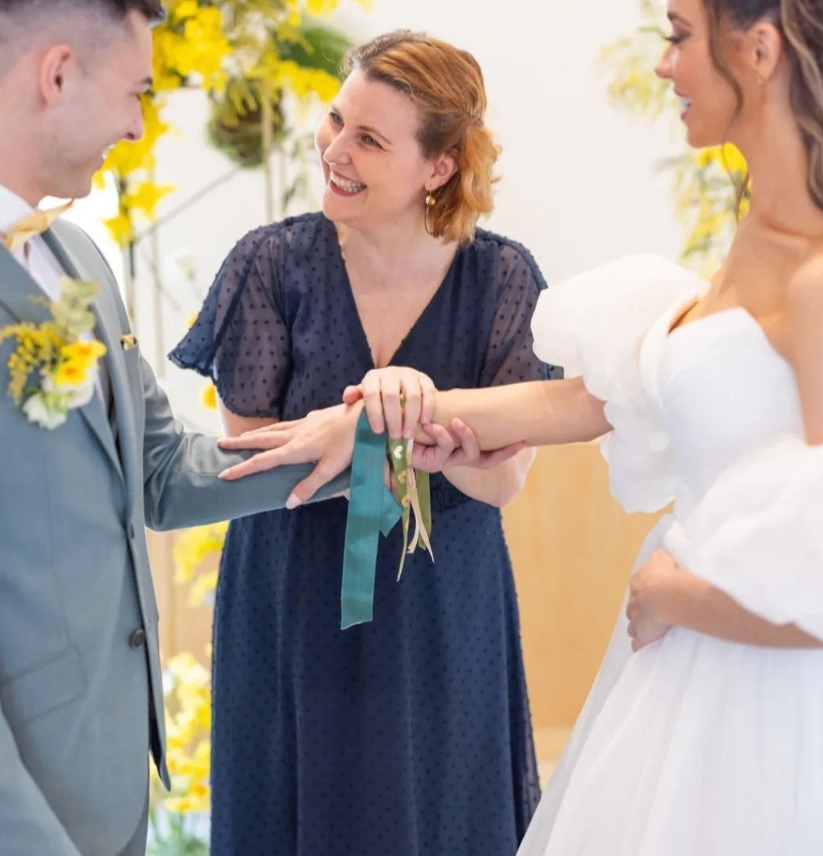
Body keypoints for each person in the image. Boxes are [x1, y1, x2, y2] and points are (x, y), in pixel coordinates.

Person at [221, 1, 823, 852]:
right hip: (683, 666)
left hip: (752, 676)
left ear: (761, 49)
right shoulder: (759, 235)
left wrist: (675, 594)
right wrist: (385, 420)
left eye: (676, 36)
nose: (663, 64)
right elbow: (587, 402)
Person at [169, 29, 553, 856]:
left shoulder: (504, 281)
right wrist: (390, 429)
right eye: (337, 120)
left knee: (444, 814)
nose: (335, 150)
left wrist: (409, 418)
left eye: (370, 139)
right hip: (292, 598)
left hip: (444, 609)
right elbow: (258, 461)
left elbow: (504, 481)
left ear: (438, 167)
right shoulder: (271, 265)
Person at [0, 2, 347, 854]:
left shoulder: (78, 259)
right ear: (55, 76)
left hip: (106, 769)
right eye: (135, 93)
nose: (136, 124)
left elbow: (157, 470)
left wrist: (348, 446)